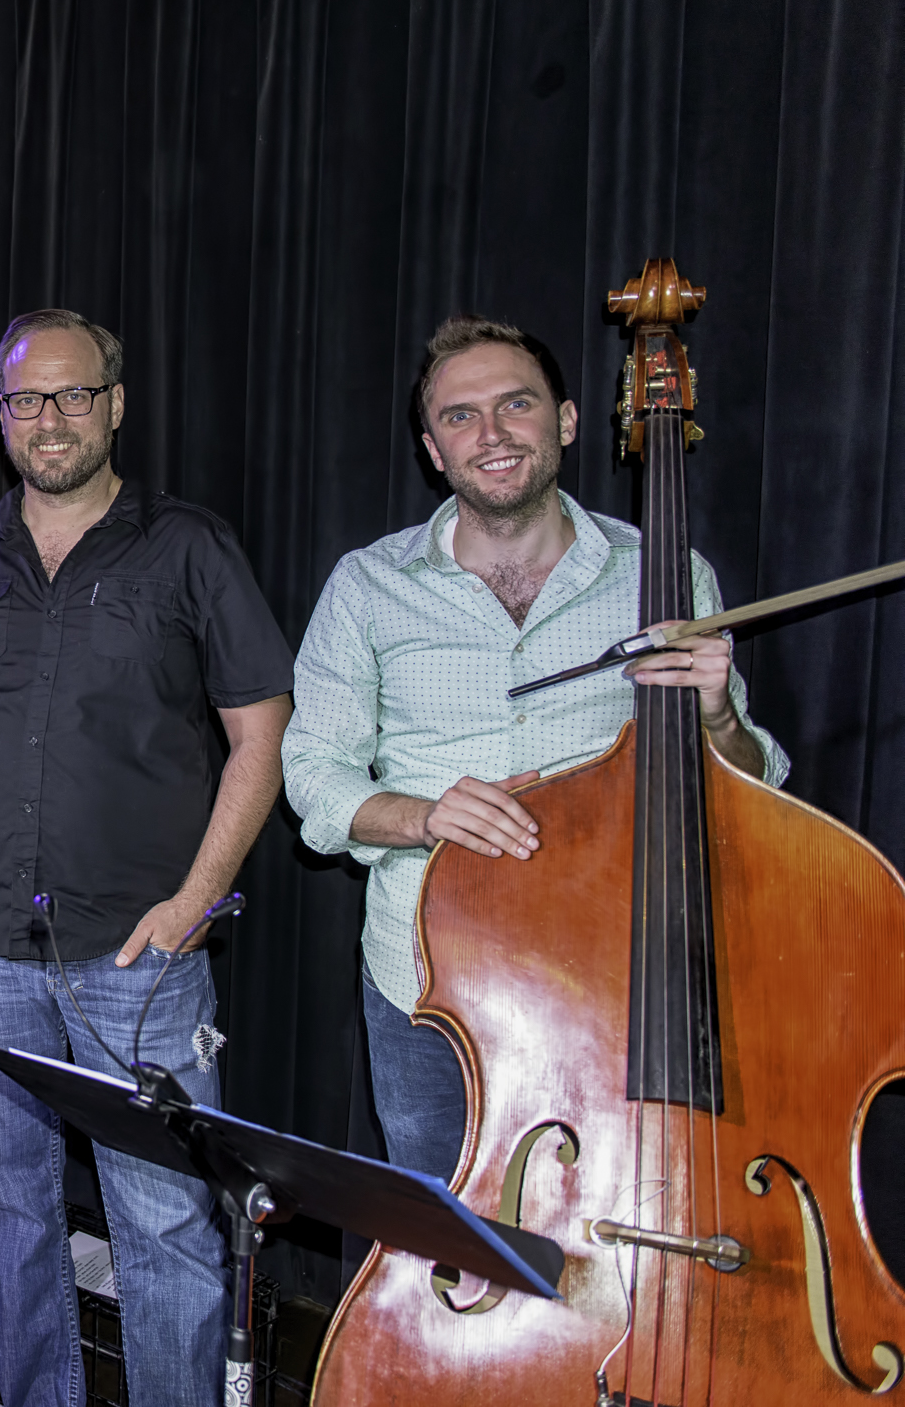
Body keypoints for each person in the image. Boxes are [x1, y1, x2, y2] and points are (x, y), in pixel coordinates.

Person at [0, 309, 295, 1407]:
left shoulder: (190, 547)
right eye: (26, 399)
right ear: (0, 415)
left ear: (116, 404)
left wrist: (199, 899)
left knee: (162, 1223)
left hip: (138, 957)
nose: (49, 419)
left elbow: (262, 731)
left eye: (73, 395)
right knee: (10, 1209)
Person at [282, 315, 787, 1182]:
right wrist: (425, 815)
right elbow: (314, 775)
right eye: (460, 416)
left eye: (515, 405)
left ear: (565, 420)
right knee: (449, 1254)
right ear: (433, 450)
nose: (492, 435)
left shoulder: (662, 575)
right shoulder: (368, 586)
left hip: (616, 982)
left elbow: (748, 787)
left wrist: (716, 719)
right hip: (426, 984)